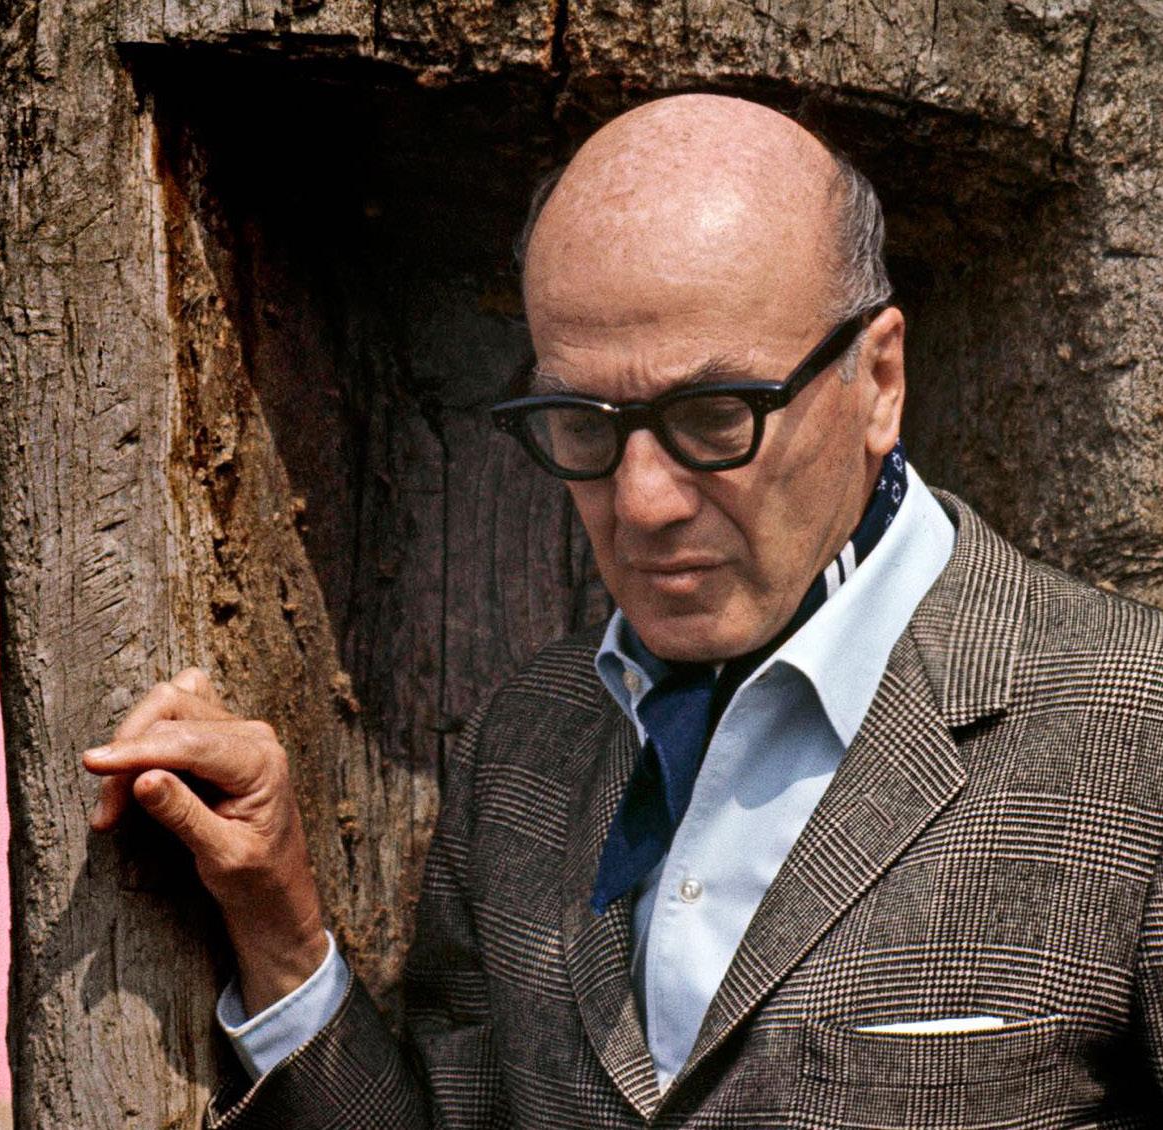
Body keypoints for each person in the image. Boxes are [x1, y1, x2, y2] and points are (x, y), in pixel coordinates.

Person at [83, 93, 1163, 1125]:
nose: (642, 501)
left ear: (878, 378)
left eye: (716, 414)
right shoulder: (527, 745)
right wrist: (278, 926)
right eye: (582, 421)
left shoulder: (1136, 728)